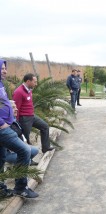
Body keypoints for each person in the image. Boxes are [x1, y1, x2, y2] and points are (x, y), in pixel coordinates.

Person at [0, 59, 39, 198]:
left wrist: (9, 103)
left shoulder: (1, 84)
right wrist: (1, 123)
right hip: (2, 128)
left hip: (7, 125)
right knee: (24, 150)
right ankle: (21, 187)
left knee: (1, 158)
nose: (5, 70)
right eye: (2, 68)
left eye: (5, 68)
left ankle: (1, 188)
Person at [13, 73, 54, 153]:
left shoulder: (29, 90)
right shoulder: (19, 92)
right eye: (35, 82)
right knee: (25, 137)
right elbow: (16, 108)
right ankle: (28, 159)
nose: (36, 84)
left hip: (31, 116)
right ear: (28, 81)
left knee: (45, 126)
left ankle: (45, 148)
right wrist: (16, 122)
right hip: (24, 118)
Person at [6, 100, 39, 166]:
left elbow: (21, 134)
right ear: (6, 110)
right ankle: (11, 164)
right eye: (13, 107)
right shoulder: (5, 125)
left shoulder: (14, 120)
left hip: (18, 148)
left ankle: (18, 164)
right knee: (26, 158)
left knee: (35, 150)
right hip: (9, 152)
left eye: (15, 107)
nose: (16, 109)